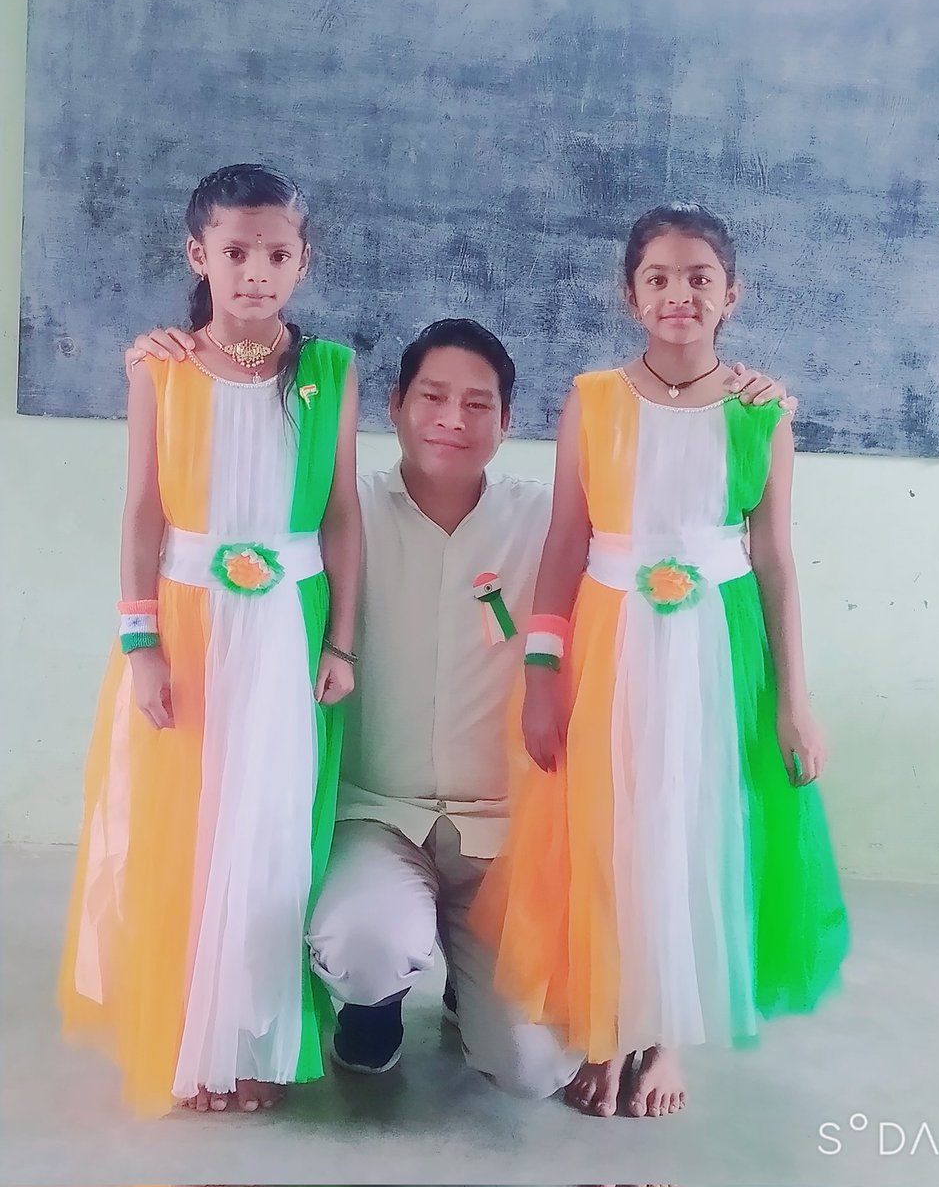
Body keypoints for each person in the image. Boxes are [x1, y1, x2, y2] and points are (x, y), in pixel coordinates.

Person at [126, 316, 792, 1101]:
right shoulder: (337, 524)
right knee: (362, 943)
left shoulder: (552, 527)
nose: (452, 419)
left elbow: (677, 538)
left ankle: (467, 990)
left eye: (479, 405)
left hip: (504, 830)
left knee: (532, 1069)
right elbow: (214, 492)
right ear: (395, 406)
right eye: (432, 397)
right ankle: (369, 1016)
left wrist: (740, 396)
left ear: (509, 423)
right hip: (378, 816)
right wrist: (177, 355)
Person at [471, 202, 850, 1119]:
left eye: (699, 278)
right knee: (612, 830)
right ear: (629, 293)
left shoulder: (763, 414)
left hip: (718, 659)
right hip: (610, 646)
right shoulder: (593, 398)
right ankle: (608, 1025)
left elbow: (773, 560)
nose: (679, 294)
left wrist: (795, 699)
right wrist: (541, 673)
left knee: (692, 830)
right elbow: (567, 538)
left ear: (732, 293)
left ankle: (665, 1032)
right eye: (658, 278)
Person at [58, 164, 361, 1117]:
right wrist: (139, 639)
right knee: (184, 829)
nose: (256, 272)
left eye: (277, 254)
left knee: (270, 835)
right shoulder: (161, 366)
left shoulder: (330, 372)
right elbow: (143, 509)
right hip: (186, 627)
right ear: (200, 256)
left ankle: (258, 1036)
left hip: (287, 627)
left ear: (303, 261)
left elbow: (343, 514)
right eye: (236, 253)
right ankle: (188, 1036)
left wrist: (341, 641)